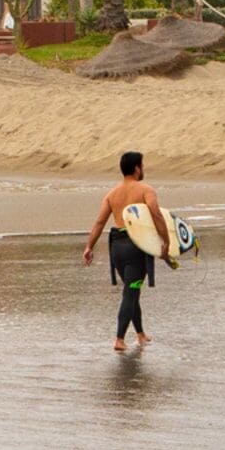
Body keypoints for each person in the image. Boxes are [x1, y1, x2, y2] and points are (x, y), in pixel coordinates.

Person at [82, 149, 170, 352]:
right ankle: (119, 339)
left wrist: (89, 247)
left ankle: (140, 334)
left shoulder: (112, 194)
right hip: (136, 247)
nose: (143, 169)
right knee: (130, 292)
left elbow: (99, 222)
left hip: (117, 248)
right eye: (143, 166)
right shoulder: (146, 190)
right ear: (137, 168)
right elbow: (156, 215)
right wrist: (165, 241)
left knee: (132, 288)